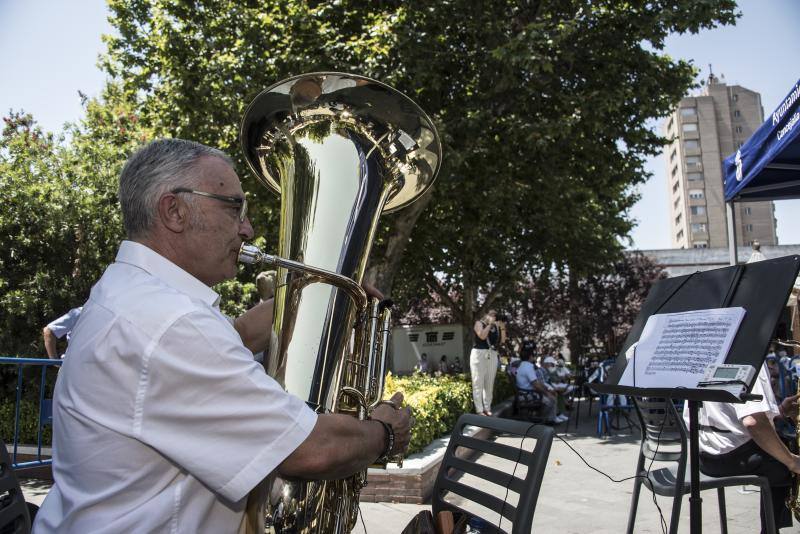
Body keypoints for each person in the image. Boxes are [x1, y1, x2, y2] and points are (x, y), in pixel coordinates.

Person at [33, 139, 412, 533]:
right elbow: (310, 450)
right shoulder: (170, 323)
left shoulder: (131, 294)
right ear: (174, 211)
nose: (247, 228)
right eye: (234, 208)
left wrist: (320, 305)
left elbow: (232, 338)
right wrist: (385, 432)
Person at [688, 362, 800, 533]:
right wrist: (791, 461)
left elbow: (724, 416)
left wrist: (780, 411)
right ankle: (770, 529)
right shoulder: (751, 358)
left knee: (781, 447)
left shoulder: (710, 354)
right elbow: (753, 423)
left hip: (704, 454)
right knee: (784, 460)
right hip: (729, 456)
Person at [470, 310, 507, 416]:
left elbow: (503, 340)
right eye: (492, 315)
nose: (494, 317)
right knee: (478, 382)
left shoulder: (496, 327)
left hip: (492, 354)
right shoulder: (479, 323)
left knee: (489, 383)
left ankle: (487, 407)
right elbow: (482, 336)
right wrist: (489, 324)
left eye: (495, 315)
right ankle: (479, 410)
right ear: (485, 315)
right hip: (479, 354)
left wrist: (502, 326)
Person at [515, 343, 563, 424]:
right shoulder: (528, 367)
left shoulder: (522, 365)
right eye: (533, 356)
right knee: (551, 399)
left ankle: (549, 418)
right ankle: (546, 419)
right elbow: (536, 384)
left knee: (551, 395)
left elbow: (537, 383)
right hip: (528, 395)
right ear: (530, 357)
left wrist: (547, 390)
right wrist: (547, 393)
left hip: (525, 393)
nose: (534, 358)